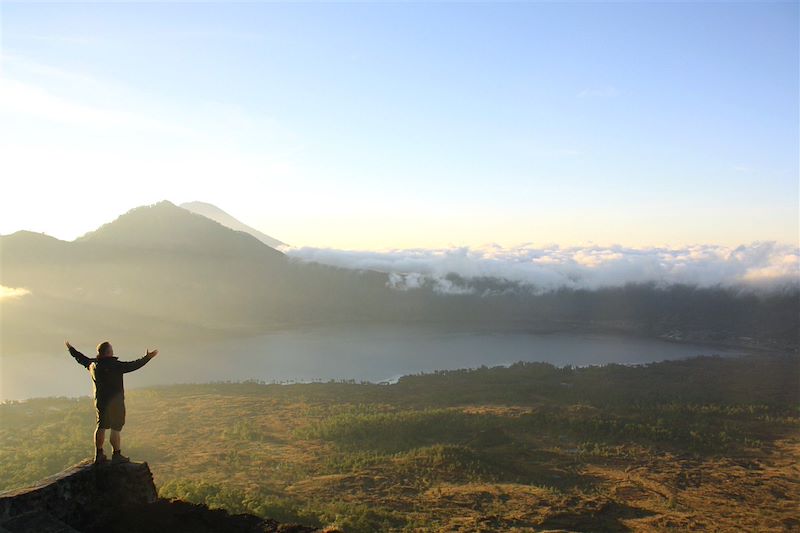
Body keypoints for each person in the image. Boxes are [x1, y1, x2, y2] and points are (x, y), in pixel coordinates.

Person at [65, 340, 159, 465]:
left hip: (100, 401)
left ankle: (98, 454)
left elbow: (80, 358)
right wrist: (147, 357)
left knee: (101, 426)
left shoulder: (92, 364)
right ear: (108, 352)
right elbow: (134, 365)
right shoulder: (116, 365)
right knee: (115, 428)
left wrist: (71, 349)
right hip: (116, 403)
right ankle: (116, 454)